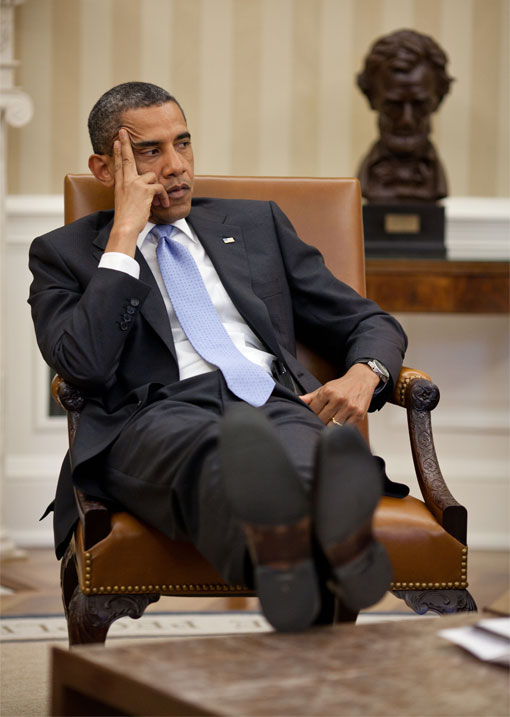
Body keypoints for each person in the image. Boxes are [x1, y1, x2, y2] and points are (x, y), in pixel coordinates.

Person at [29, 82, 407, 633]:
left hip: (271, 398)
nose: (177, 166)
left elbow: (369, 321)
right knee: (221, 453)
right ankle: (335, 545)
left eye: (183, 144)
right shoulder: (62, 255)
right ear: (106, 169)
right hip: (154, 416)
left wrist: (365, 372)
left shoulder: (256, 227)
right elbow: (82, 365)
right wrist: (125, 237)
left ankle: (293, 554)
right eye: (151, 152)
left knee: (299, 455)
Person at [357, 29, 453, 204]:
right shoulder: (368, 177)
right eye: (393, 105)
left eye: (419, 105)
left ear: (438, 100)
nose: (406, 120)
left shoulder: (433, 175)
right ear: (371, 98)